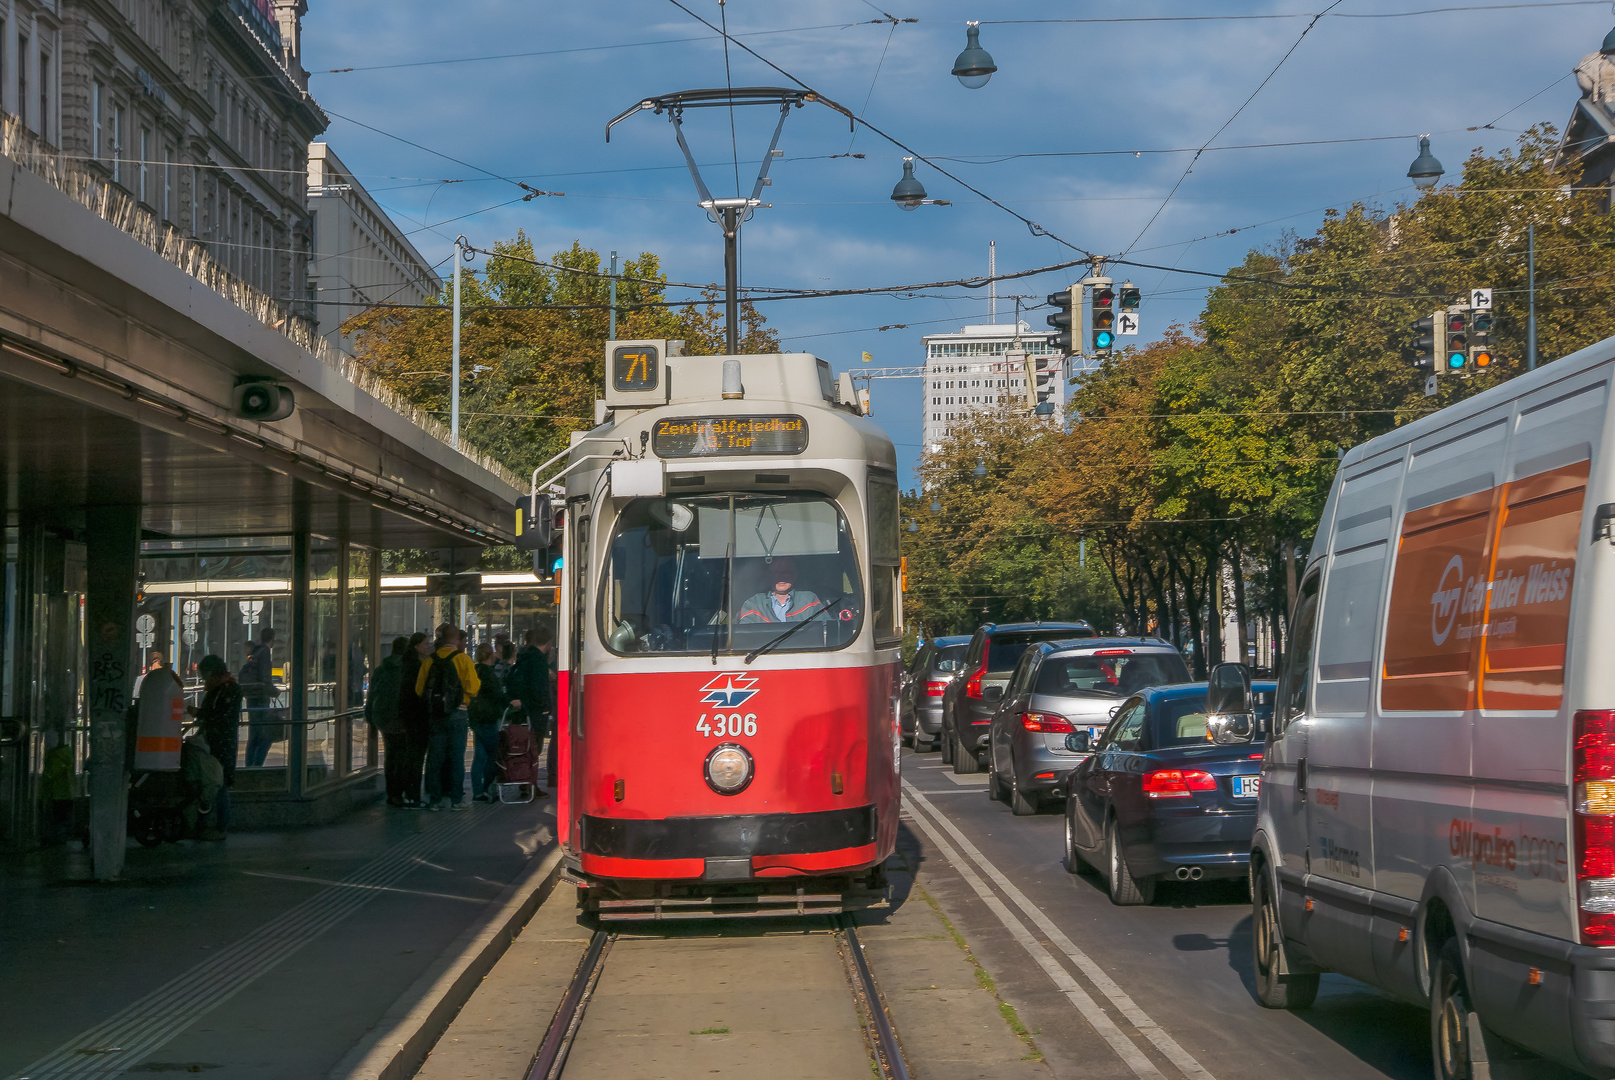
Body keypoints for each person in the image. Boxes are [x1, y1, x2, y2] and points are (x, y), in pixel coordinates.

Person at [416, 624, 479, 811]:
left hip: (436, 715)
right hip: (458, 712)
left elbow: (420, 689)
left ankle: (434, 800)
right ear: (456, 640)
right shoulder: (463, 660)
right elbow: (473, 688)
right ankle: (456, 800)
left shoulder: (429, 661)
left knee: (435, 757)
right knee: (456, 758)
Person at [189, 654, 243, 840]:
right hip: (212, 744)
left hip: (221, 746)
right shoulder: (218, 690)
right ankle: (204, 826)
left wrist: (198, 713)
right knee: (213, 785)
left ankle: (219, 828)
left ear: (213, 674)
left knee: (219, 786)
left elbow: (219, 716)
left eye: (205, 677)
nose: (204, 682)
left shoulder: (229, 690)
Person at [468, 641, 515, 802]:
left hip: (475, 718)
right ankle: (488, 787)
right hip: (488, 718)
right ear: (490, 656)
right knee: (492, 755)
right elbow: (498, 695)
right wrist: (511, 703)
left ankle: (477, 791)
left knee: (479, 756)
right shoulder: (489, 674)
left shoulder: (474, 671)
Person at [367, 637, 411, 807]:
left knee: (391, 755)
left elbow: (372, 696)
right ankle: (398, 792)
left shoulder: (381, 669)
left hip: (383, 717)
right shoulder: (406, 669)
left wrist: (371, 720)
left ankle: (392, 792)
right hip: (401, 717)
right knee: (402, 756)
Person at [508, 627, 551, 797]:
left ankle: (524, 783)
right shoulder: (539, 660)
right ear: (548, 643)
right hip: (536, 711)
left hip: (522, 709)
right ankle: (530, 784)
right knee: (534, 749)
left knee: (524, 748)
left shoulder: (523, 657)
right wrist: (545, 707)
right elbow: (538, 688)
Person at [397, 632, 432, 808]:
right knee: (416, 757)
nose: (429, 646)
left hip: (413, 716)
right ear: (417, 646)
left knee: (414, 756)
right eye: (426, 643)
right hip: (416, 716)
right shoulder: (415, 667)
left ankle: (410, 794)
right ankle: (412, 795)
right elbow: (413, 693)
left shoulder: (412, 664)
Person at [736, 557, 823, 623]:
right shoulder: (753, 604)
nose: (781, 577)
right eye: (776, 572)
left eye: (786, 572)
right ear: (769, 576)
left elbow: (825, 630)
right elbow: (743, 637)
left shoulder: (809, 601)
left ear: (795, 575)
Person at [240, 628, 281, 767]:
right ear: (273, 638)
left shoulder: (255, 652)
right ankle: (256, 767)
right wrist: (274, 691)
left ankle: (249, 767)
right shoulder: (264, 652)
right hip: (260, 698)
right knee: (265, 736)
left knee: (254, 735)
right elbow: (264, 678)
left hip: (252, 698)